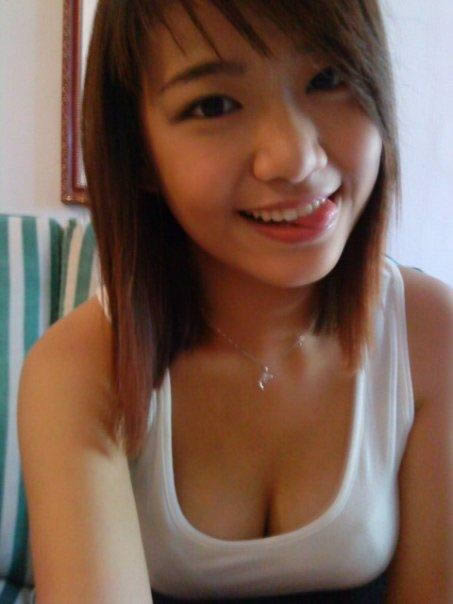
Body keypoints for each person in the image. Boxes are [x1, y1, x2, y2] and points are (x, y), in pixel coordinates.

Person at [18, 1, 451, 602]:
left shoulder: (431, 337)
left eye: (329, 78)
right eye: (214, 105)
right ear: (138, 152)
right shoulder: (79, 371)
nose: (296, 158)